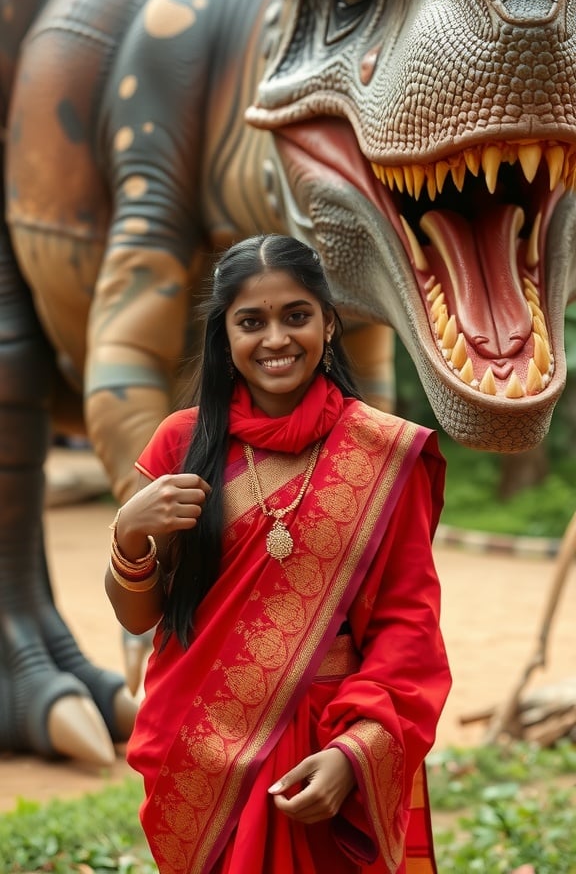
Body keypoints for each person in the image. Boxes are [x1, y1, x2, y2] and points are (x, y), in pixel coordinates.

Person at [105, 233, 451, 874]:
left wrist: (357, 752)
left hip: (321, 747)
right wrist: (129, 537)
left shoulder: (380, 455)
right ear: (225, 336)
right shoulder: (183, 443)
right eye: (250, 322)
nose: (275, 339)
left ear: (328, 321)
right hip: (198, 744)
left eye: (296, 315)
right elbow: (139, 617)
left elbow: (410, 623)